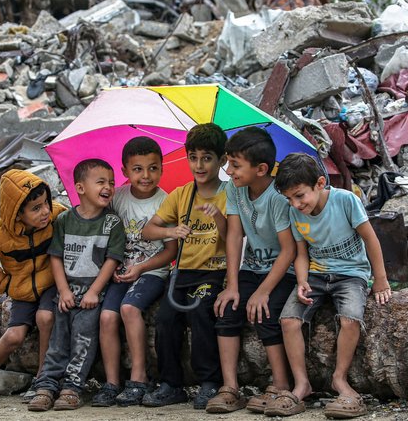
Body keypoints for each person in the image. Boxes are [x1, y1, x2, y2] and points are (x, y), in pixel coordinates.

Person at [270, 152, 391, 418]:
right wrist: (301, 281)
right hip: (316, 275)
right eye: (289, 198)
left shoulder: (346, 200)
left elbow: (370, 239)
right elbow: (301, 253)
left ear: (320, 183)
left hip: (351, 274)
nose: (296, 203)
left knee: (350, 319)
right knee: (289, 320)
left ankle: (340, 379)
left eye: (299, 195)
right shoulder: (295, 212)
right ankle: (302, 384)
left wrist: (380, 279)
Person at [206, 127, 296, 414]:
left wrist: (262, 292)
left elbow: (289, 251)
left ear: (261, 169)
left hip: (283, 270)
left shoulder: (278, 197)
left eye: (235, 165)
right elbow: (234, 236)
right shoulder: (235, 188)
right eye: (228, 163)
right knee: (227, 310)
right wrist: (232, 285)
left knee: (266, 312)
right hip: (251, 267)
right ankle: (230, 388)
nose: (228, 170)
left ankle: (280, 384)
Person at [140, 123, 229, 410]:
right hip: (184, 273)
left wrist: (218, 218)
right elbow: (148, 230)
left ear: (222, 160)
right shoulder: (182, 195)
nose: (199, 165)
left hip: (215, 271)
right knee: (166, 318)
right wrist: (171, 232)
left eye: (207, 158)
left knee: (202, 312)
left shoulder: (231, 195)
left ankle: (209, 382)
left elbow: (234, 239)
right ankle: (171, 384)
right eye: (193, 157)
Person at [27, 158, 126, 411]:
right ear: (80, 188)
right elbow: (56, 257)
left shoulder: (112, 223)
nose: (108, 187)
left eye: (112, 183)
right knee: (58, 341)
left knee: (83, 338)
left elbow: (112, 261)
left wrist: (94, 291)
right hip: (67, 292)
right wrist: (62, 291)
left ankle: (72, 387)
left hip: (92, 295)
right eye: (101, 182)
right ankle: (47, 385)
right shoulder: (64, 221)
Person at [0, 169, 66, 404]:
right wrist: (7, 285)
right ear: (17, 214)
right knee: (14, 335)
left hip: (51, 284)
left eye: (45, 203)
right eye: (36, 208)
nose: (45, 211)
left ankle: (43, 379)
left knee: (45, 318)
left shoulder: (58, 216)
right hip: (22, 292)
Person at [92, 137, 177, 407]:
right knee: (107, 316)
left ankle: (139, 377)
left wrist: (141, 267)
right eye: (138, 169)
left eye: (153, 168)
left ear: (162, 169)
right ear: (125, 171)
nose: (146, 175)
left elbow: (170, 252)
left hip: (153, 272)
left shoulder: (167, 202)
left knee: (129, 309)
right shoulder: (117, 198)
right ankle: (111, 382)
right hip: (121, 270)